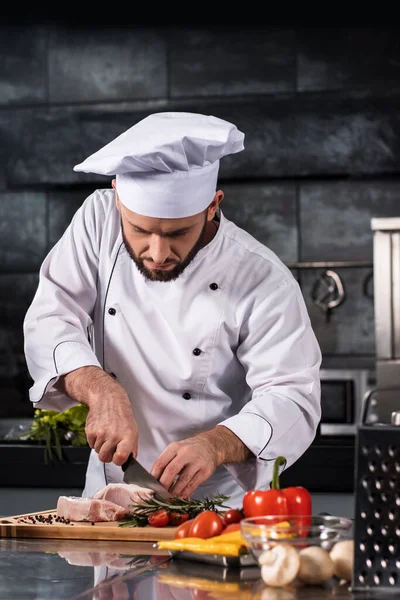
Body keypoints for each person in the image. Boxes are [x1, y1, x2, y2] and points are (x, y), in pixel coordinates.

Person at [23, 112, 322, 507]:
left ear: (213, 206)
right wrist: (100, 389)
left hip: (215, 506)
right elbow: (50, 317)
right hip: (113, 495)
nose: (158, 253)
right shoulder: (97, 221)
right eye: (139, 230)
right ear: (117, 198)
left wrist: (217, 444)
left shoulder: (261, 277)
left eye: (178, 233)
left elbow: (293, 396)